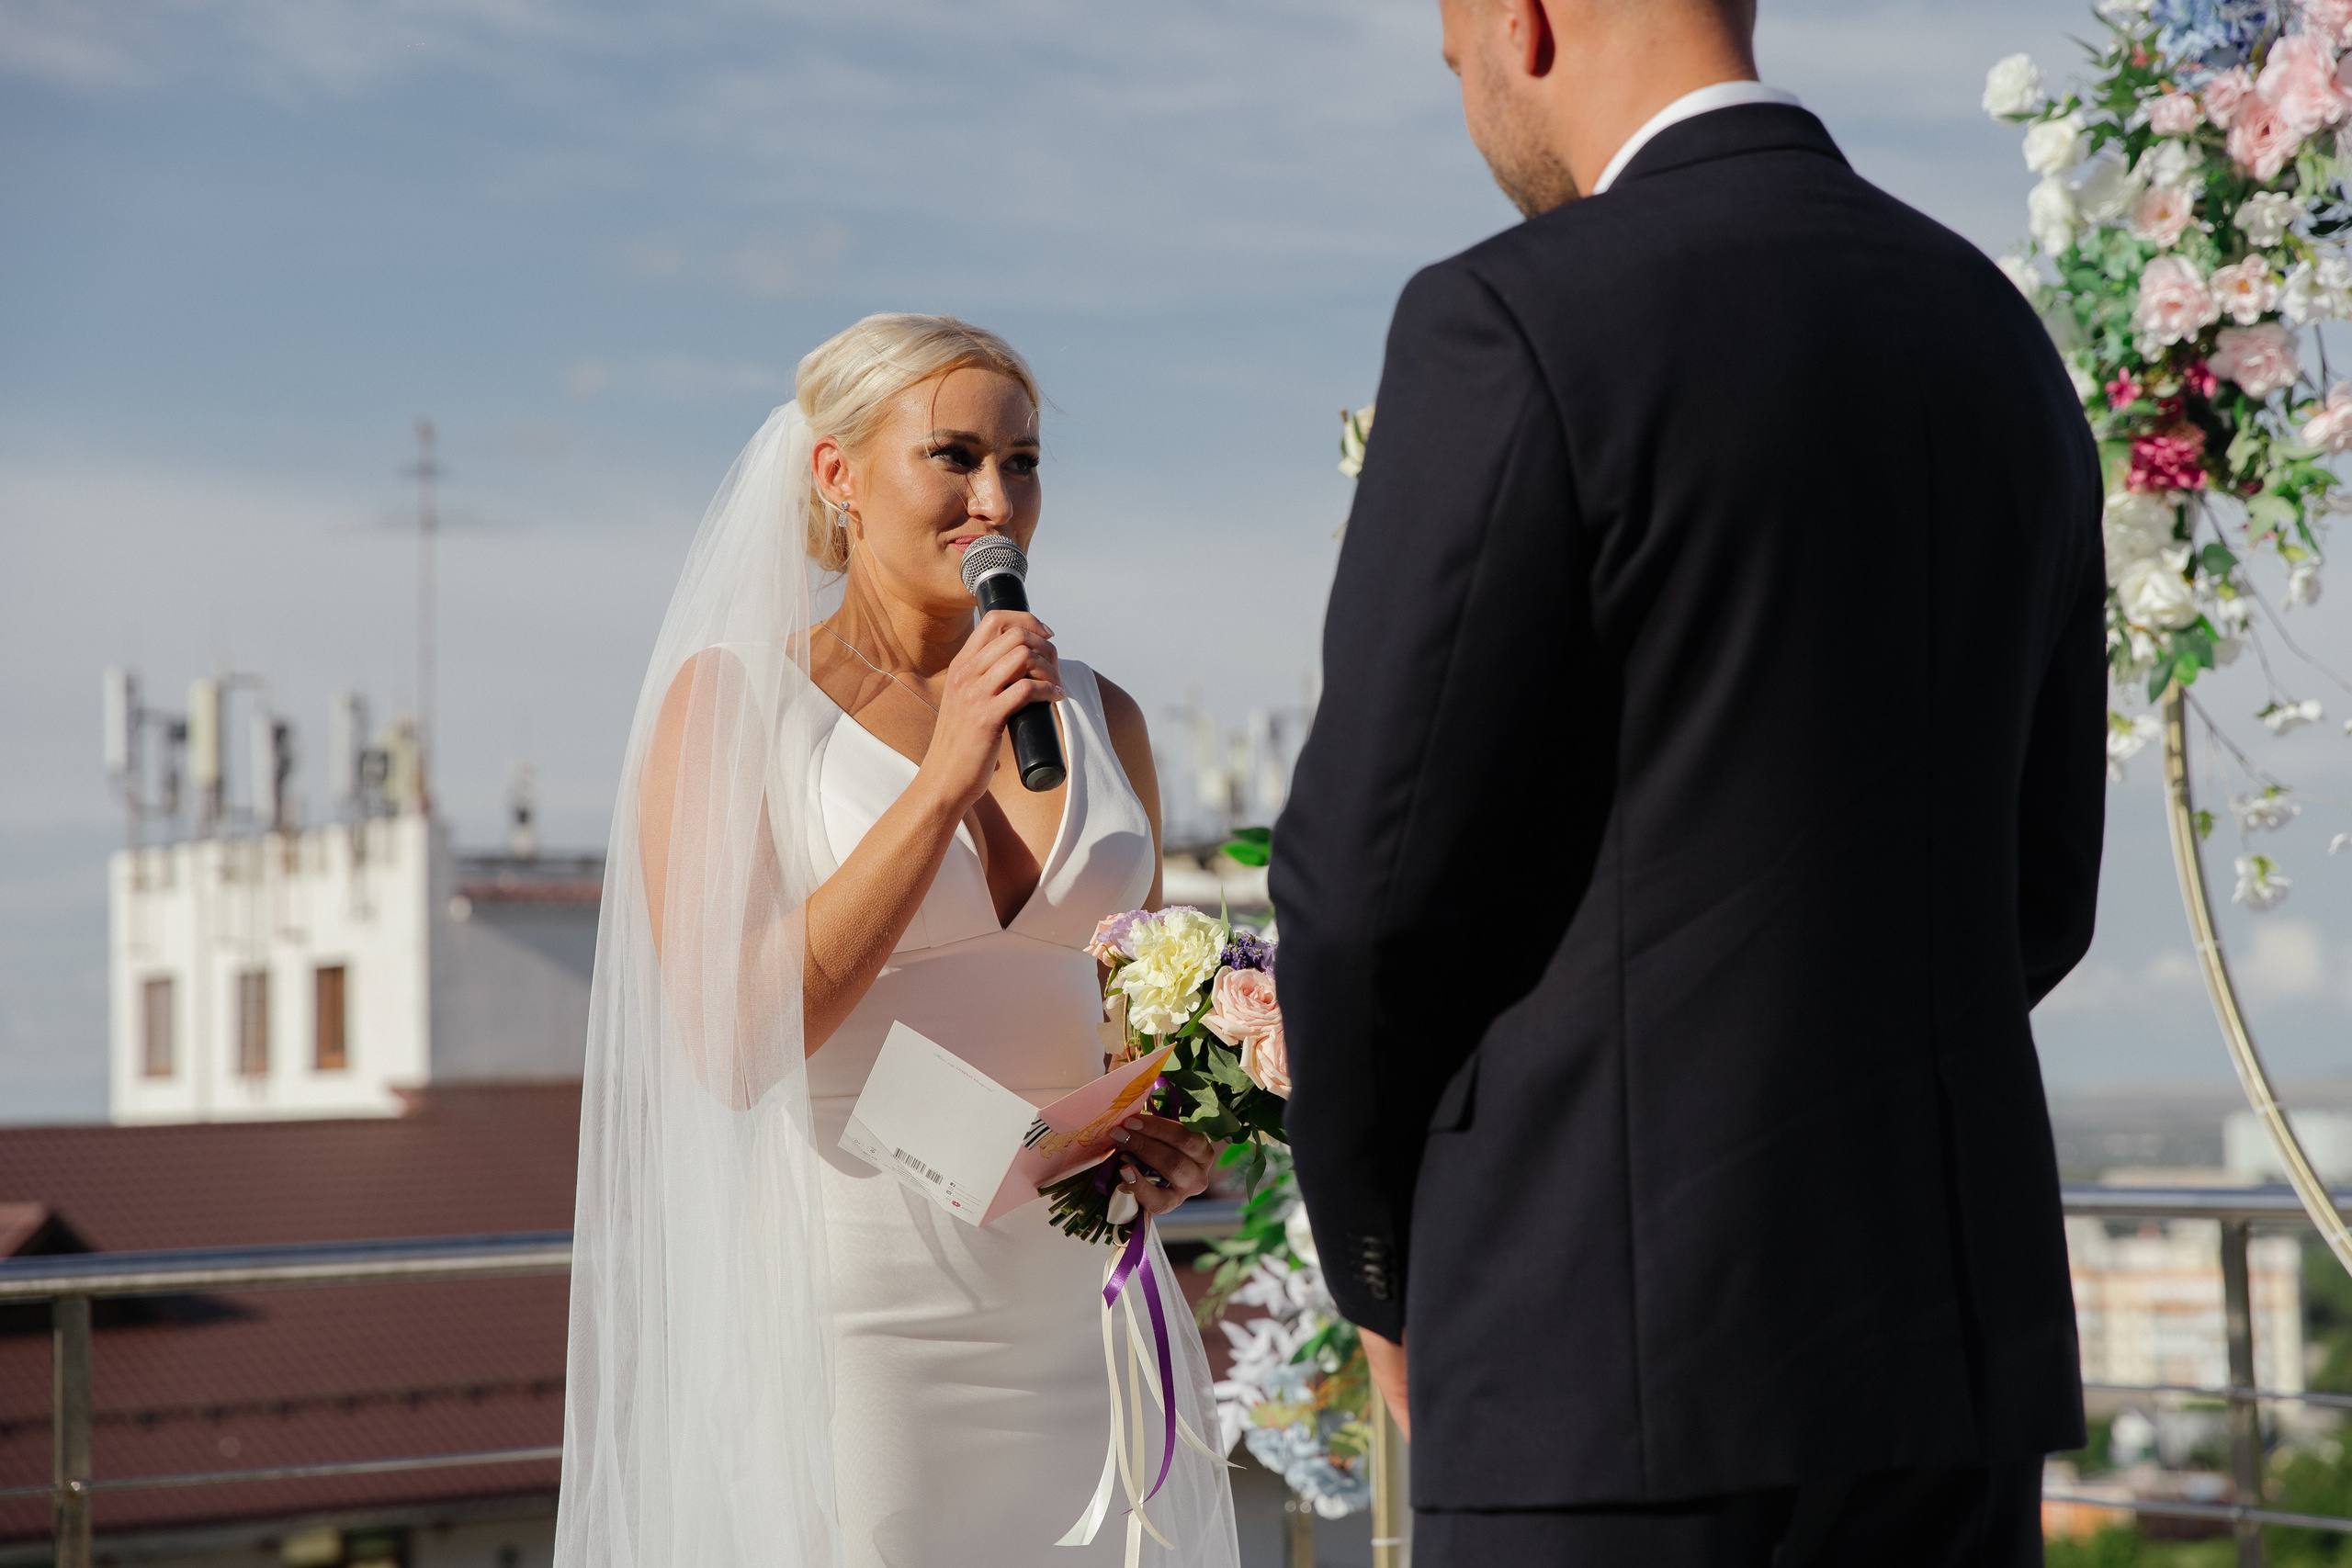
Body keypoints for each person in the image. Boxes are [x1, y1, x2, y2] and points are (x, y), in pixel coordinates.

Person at [1270, 0, 2107, 1562]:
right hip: (1944, 1366)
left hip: (1599, 1369)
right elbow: (2042, 888)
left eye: (1450, 42)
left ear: (1520, 23)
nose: (1457, 82)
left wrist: (1388, 1278)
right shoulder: (1994, 330)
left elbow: (1360, 897)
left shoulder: (1513, 318)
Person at [555, 314, 1239, 1568]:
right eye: (957, 458)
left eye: (1023, 463)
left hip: (1082, 1306)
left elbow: (1129, 1016)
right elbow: (726, 1041)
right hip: (865, 1324)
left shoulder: (1101, 713)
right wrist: (938, 782)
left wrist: (1180, 1132)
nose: (998, 500)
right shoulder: (734, 705)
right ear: (837, 476)